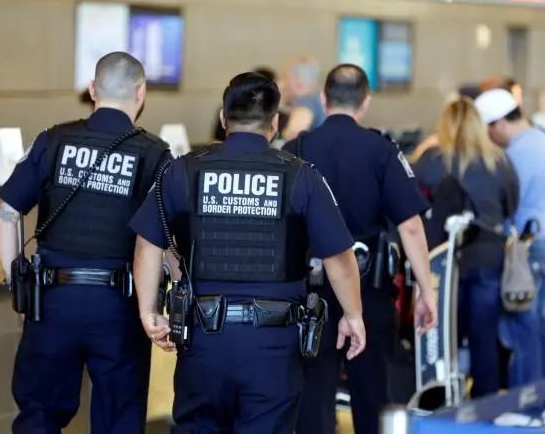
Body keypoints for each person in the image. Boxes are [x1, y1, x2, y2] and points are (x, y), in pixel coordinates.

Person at [130, 71, 367, 434]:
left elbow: (148, 243)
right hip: (272, 346)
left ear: (224, 119)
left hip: (202, 340)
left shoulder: (183, 171)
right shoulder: (301, 177)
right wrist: (352, 314)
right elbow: (338, 256)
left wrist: (148, 312)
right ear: (275, 123)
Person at [0, 52, 171, 434]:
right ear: (141, 93)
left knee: (38, 417)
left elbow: (5, 215)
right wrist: (151, 307)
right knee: (119, 419)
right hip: (118, 308)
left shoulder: (53, 139)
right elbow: (158, 241)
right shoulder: (155, 154)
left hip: (52, 301)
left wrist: (19, 290)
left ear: (92, 89)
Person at [285, 64, 437, 434]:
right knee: (371, 394)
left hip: (309, 294)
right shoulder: (382, 149)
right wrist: (426, 290)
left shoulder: (296, 149)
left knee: (313, 395)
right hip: (369, 292)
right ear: (365, 102)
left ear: (324, 98)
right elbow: (412, 227)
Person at [412, 97, 519, 400]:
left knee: (446, 334)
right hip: (489, 255)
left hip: (446, 261)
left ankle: (445, 397)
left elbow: (413, 203)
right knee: (484, 337)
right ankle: (484, 404)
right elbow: (512, 206)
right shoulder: (500, 160)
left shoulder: (433, 161)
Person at [474, 88, 545, 427]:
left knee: (521, 324)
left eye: (488, 129)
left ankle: (525, 407)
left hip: (528, 250)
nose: (488, 137)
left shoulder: (518, 153)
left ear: (499, 123)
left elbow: (509, 202)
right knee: (540, 324)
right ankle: (543, 404)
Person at [211, 67, 290, 142]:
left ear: (223, 117)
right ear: (274, 121)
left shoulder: (230, 108)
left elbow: (217, 140)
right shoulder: (283, 118)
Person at [280, 56, 327, 140]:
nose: (282, 84)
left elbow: (294, 134)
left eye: (285, 78)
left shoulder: (306, 102)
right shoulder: (318, 100)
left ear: (298, 82)